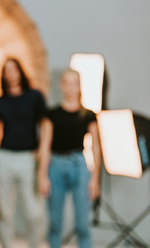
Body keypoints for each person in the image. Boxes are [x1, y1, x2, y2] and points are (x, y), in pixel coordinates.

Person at [37, 69, 100, 248]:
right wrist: (42, 176)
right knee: (55, 223)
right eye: (68, 83)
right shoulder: (52, 114)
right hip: (56, 165)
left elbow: (96, 147)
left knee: (83, 224)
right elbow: (45, 146)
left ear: (79, 87)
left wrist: (95, 179)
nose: (71, 88)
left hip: (79, 165)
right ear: (61, 85)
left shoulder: (88, 115)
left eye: (75, 83)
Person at [0, 58, 46, 248]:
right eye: (6, 70)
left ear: (20, 72)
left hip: (27, 158)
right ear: (3, 75)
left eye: (13, 69)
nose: (11, 74)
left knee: (33, 213)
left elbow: (44, 125)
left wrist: (41, 151)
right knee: (5, 213)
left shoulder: (35, 97)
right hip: (4, 156)